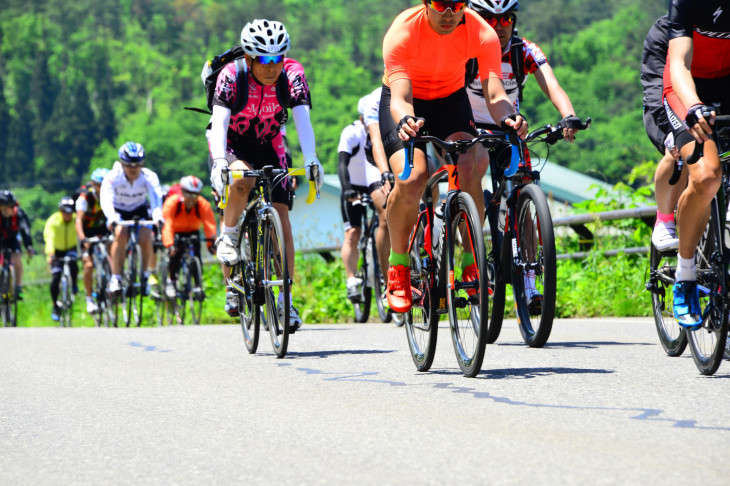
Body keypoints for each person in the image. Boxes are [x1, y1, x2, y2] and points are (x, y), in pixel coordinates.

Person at [379, 0, 527, 312]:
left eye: (457, 4)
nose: (449, 13)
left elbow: (496, 95)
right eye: (440, 4)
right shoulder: (403, 31)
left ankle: (471, 259)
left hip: (450, 100)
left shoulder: (480, 32)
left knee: (470, 163)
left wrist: (509, 118)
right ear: (425, 2)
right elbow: (401, 97)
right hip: (405, 104)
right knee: (412, 177)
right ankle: (399, 267)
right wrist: (406, 120)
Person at [207, 19, 323, 329]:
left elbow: (302, 119)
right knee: (242, 179)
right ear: (248, 58)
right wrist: (220, 160)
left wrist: (311, 159)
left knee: (282, 214)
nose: (272, 67)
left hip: (269, 142)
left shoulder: (292, 75)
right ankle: (229, 238)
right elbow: (218, 123)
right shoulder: (232, 75)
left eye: (278, 58)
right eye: (264, 59)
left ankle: (285, 301)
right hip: (230, 143)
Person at [468, 0, 581, 312]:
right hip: (469, 128)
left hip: (508, 127)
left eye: (507, 19)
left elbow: (553, 85)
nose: (500, 26)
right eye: (491, 19)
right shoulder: (465, 49)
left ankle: (530, 283)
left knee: (525, 193)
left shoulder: (523, 50)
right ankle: (469, 260)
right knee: (470, 179)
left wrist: (568, 115)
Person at [664, 0, 730, 329]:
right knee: (706, 177)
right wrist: (693, 106)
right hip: (688, 87)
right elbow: (678, 62)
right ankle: (686, 275)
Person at [338, 93, 390, 300]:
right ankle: (351, 279)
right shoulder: (352, 133)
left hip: (374, 183)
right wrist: (347, 189)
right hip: (354, 187)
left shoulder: (382, 129)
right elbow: (342, 163)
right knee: (353, 232)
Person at [100, 142, 164, 296]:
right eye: (129, 165)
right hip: (118, 211)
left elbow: (156, 199)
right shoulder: (112, 177)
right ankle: (116, 277)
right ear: (122, 164)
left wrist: (157, 216)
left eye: (138, 165)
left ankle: (145, 275)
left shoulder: (149, 176)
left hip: (139, 209)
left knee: (146, 236)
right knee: (120, 234)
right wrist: (112, 218)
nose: (134, 169)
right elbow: (106, 199)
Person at [641, 15, 683, 252]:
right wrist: (671, 130)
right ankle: (665, 220)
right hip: (662, 108)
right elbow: (655, 86)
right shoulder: (663, 29)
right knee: (682, 151)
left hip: (709, 107)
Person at [161, 175, 217, 298]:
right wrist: (169, 244)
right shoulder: (172, 203)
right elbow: (167, 225)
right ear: (182, 192)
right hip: (175, 232)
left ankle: (198, 285)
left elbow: (209, 225)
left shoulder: (203, 204)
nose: (192, 198)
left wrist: (211, 244)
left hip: (193, 231)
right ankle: (172, 281)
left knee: (197, 255)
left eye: (195, 195)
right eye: (189, 194)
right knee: (175, 253)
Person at [75, 168, 111, 314]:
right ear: (94, 185)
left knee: (114, 252)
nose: (103, 189)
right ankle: (89, 299)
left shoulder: (111, 196)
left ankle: (113, 283)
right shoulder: (84, 198)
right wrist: (83, 239)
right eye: (99, 185)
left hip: (103, 229)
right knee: (88, 266)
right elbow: (78, 220)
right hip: (86, 231)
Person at [44, 197, 78, 321]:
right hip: (56, 250)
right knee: (56, 276)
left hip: (71, 248)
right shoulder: (54, 221)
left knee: (74, 264)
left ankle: (73, 284)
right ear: (60, 210)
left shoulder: (76, 220)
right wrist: (50, 253)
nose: (68, 215)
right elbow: (50, 237)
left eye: (70, 212)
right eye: (65, 212)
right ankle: (55, 305)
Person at [0, 190, 35, 300]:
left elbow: (25, 229)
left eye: (11, 206)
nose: (8, 210)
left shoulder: (18, 213)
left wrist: (28, 246)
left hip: (12, 240)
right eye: (5, 207)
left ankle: (18, 287)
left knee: (17, 259)